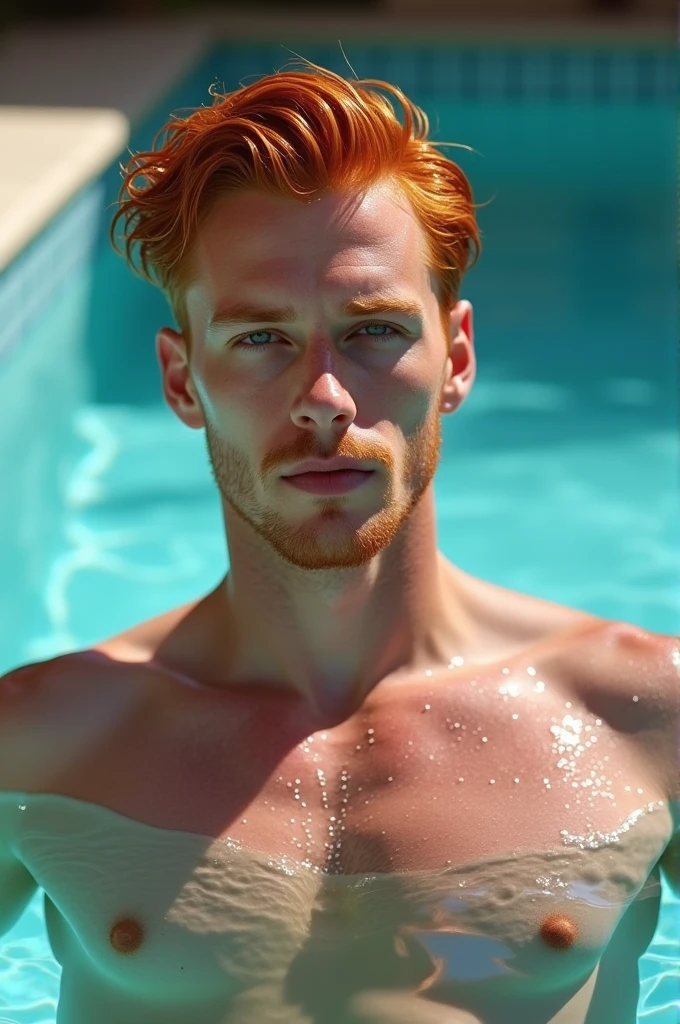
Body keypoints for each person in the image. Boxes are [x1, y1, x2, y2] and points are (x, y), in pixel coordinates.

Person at [0, 58, 678, 1024]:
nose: (325, 399)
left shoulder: (644, 719)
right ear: (183, 381)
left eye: (373, 330)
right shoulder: (44, 743)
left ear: (459, 356)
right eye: (260, 339)